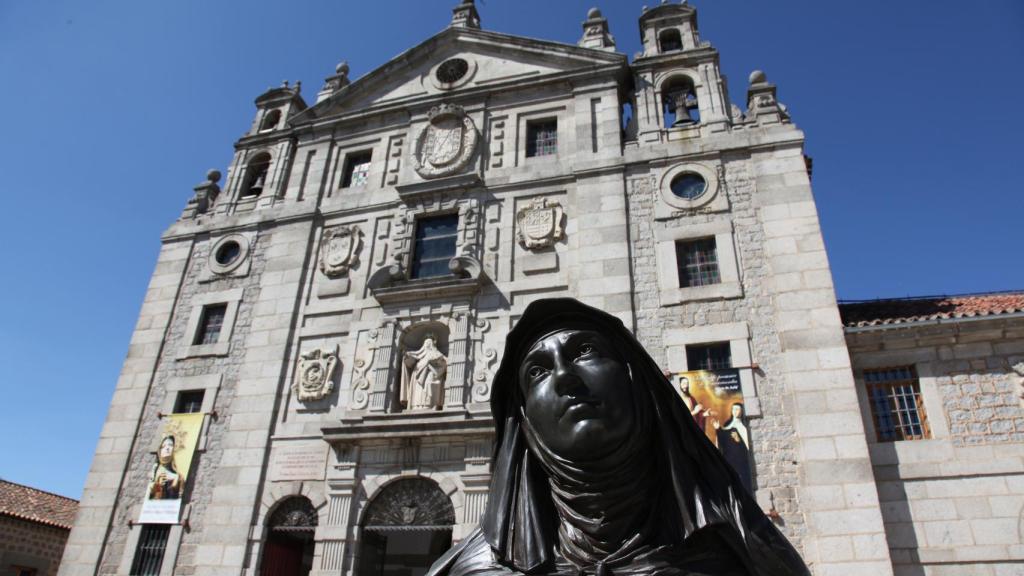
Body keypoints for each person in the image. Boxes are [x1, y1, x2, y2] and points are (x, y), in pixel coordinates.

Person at [427, 298, 809, 576]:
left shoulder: (743, 549)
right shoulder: (475, 570)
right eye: (537, 373)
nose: (564, 377)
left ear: (637, 382)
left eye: (586, 351)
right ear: (525, 422)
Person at [713, 403, 753, 495]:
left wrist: (738, 440)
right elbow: (722, 440)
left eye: (738, 409)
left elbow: (746, 446)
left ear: (742, 412)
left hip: (742, 460)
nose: (736, 411)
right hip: (730, 459)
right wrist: (718, 429)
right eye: (734, 409)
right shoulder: (727, 425)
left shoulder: (744, 427)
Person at [148, 435, 182, 500]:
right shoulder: (155, 470)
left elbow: (175, 497)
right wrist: (157, 483)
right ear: (160, 450)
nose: (167, 448)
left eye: (170, 445)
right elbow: (152, 495)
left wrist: (175, 482)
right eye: (164, 446)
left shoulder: (178, 476)